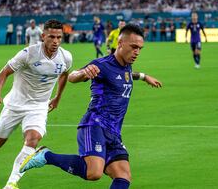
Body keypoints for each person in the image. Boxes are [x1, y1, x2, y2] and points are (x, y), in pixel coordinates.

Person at [19, 24, 162, 189]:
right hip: (95, 125)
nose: (137, 52)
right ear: (120, 43)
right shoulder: (102, 64)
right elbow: (72, 76)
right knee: (94, 173)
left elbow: (125, 75)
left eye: (140, 48)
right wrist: (83, 73)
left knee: (123, 176)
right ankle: (47, 156)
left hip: (114, 131)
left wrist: (144, 77)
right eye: (134, 47)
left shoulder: (126, 65)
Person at [0, 19, 73, 189]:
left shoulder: (66, 57)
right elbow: (4, 72)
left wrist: (57, 97)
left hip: (39, 107)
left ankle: (12, 183)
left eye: (59, 37)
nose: (55, 41)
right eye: (52, 37)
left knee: (33, 139)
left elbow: (64, 74)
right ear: (43, 36)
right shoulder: (28, 54)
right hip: (15, 105)